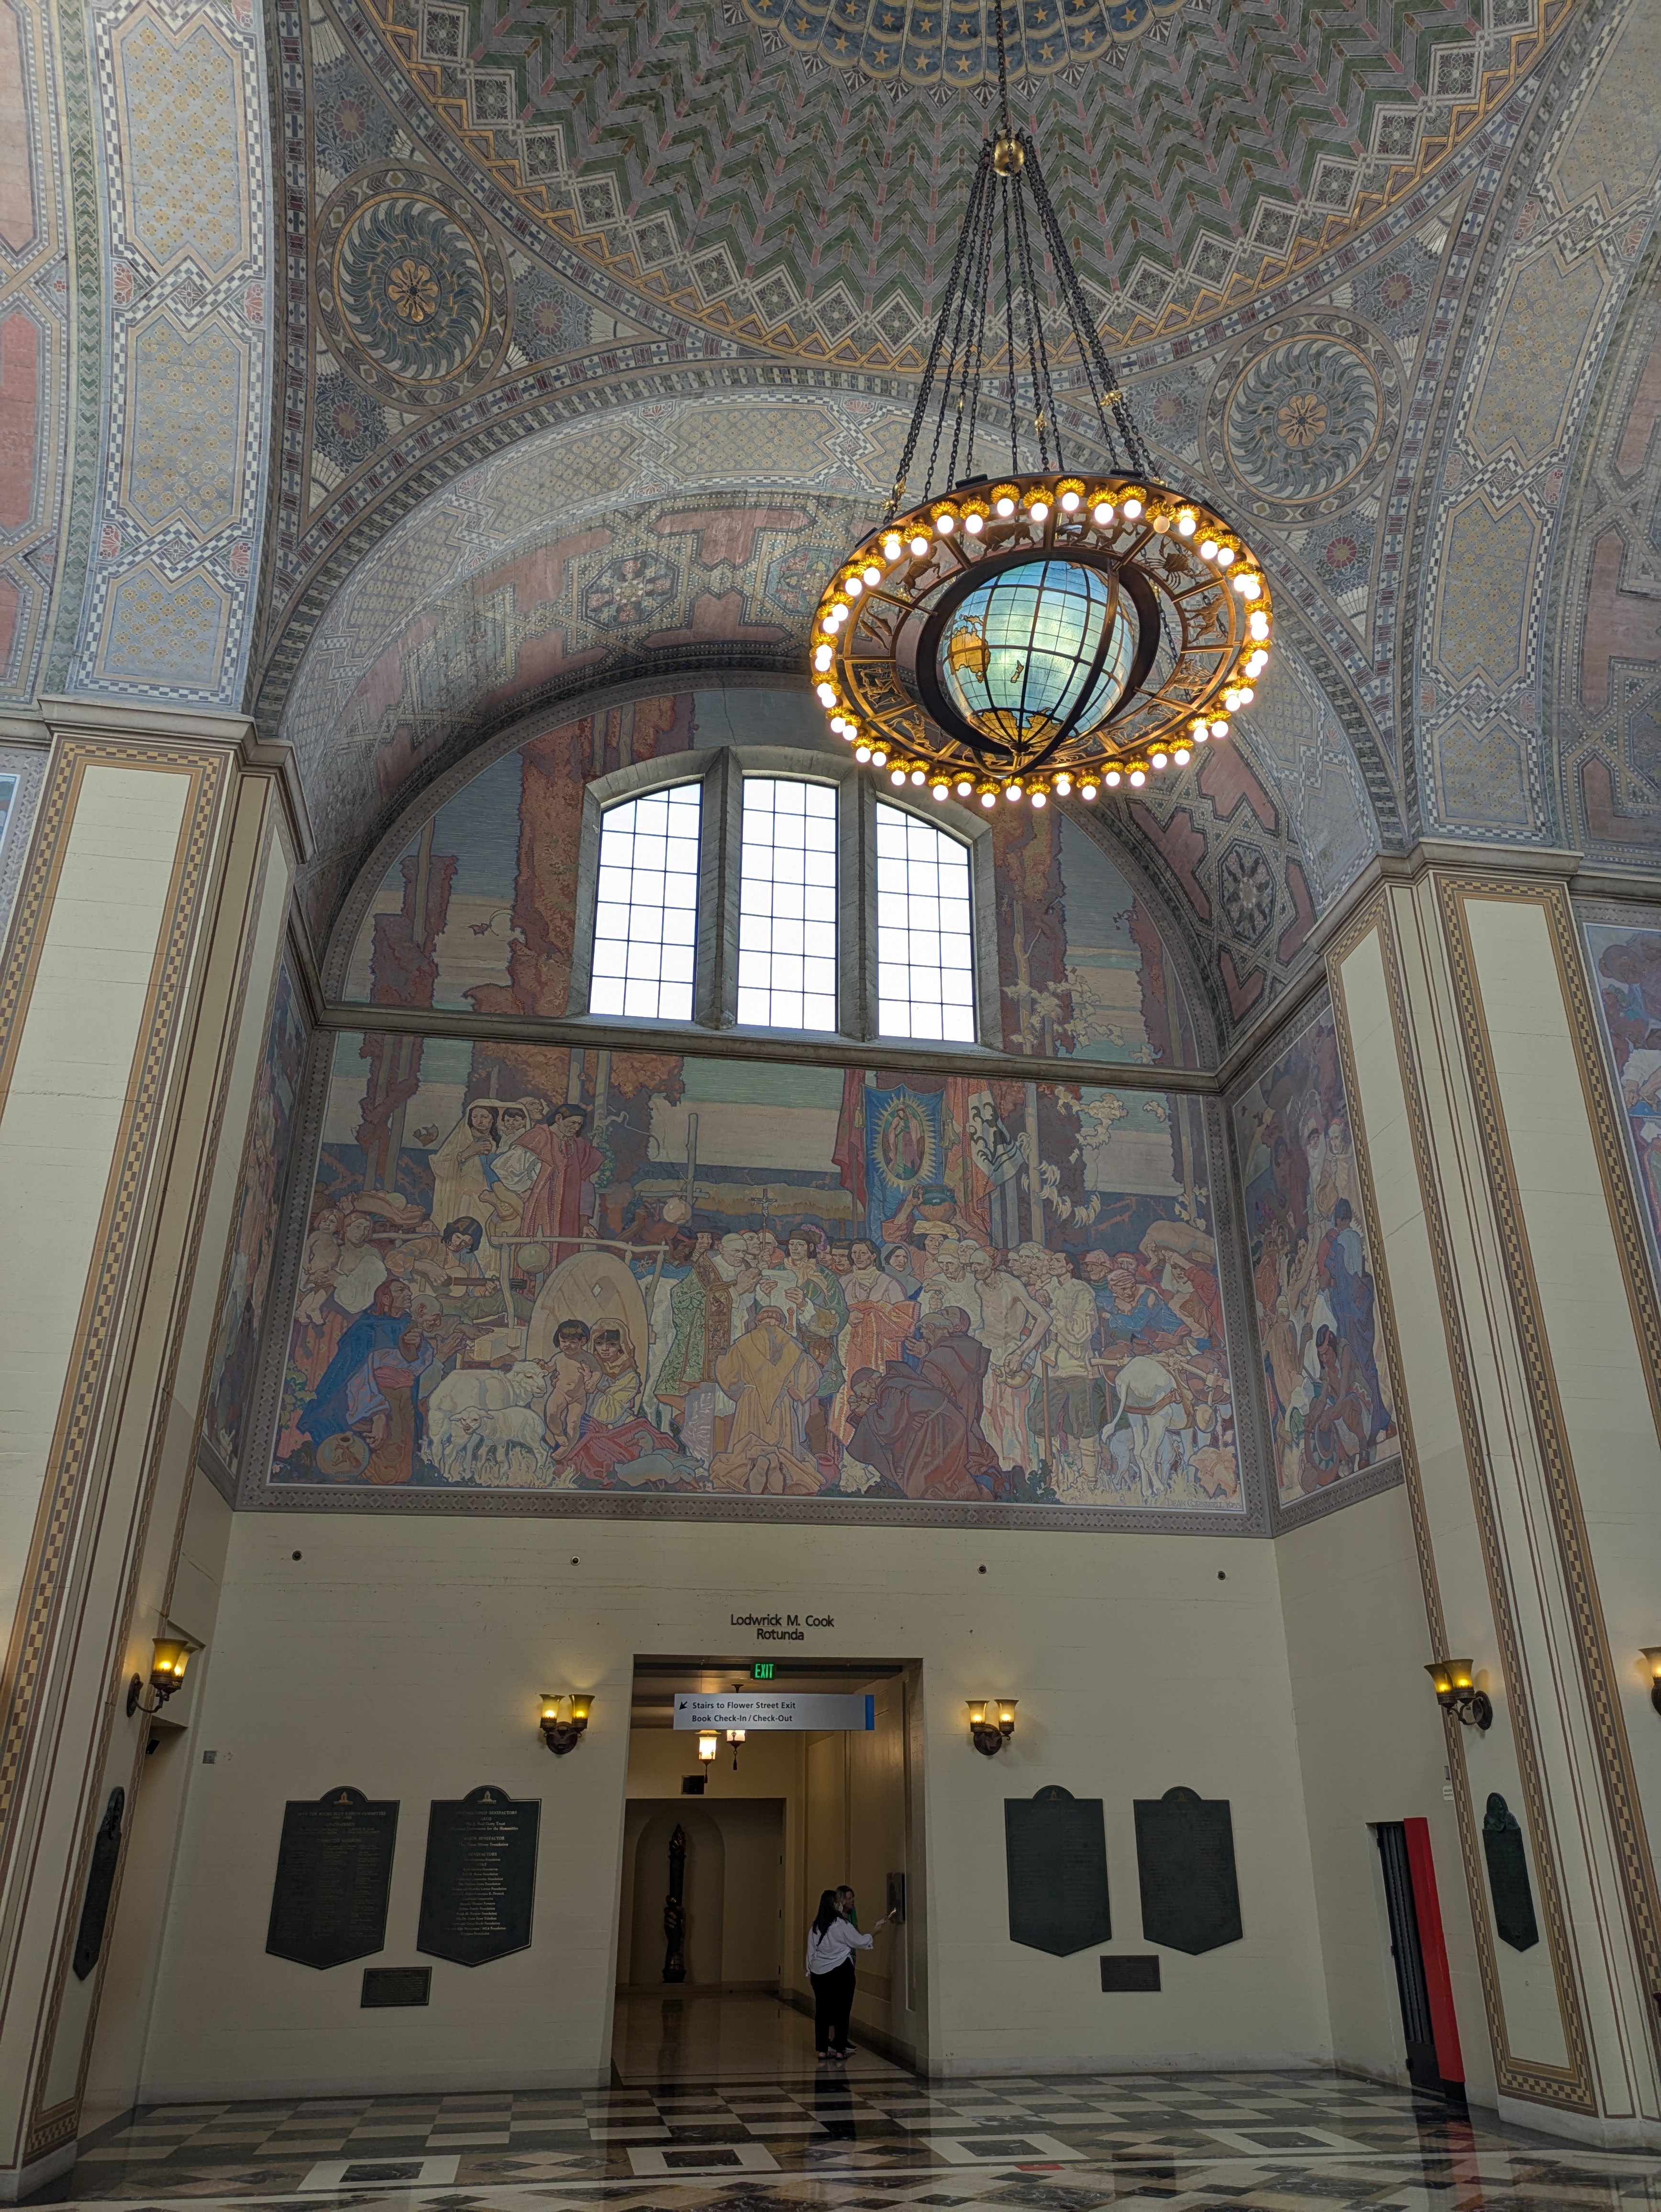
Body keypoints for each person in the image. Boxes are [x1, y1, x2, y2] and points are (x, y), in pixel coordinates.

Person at [806, 1887, 894, 2061]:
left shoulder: (815, 1927)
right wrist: (875, 1931)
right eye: (837, 1902)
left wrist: (811, 1970)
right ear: (834, 1905)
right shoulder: (841, 1925)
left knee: (822, 2011)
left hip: (819, 1974)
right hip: (841, 1972)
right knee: (842, 2010)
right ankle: (840, 2050)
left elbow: (811, 1953)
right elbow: (859, 1941)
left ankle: (822, 2050)